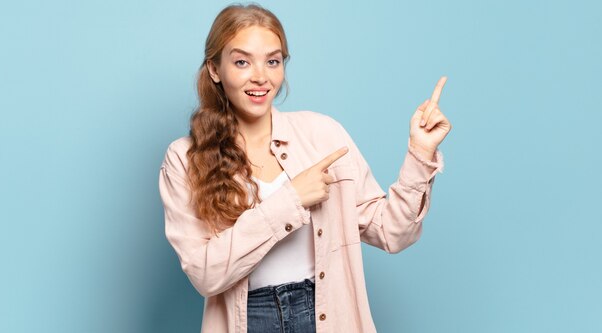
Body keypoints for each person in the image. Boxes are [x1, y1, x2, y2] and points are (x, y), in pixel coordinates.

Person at [158, 3, 451, 333]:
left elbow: (392, 232)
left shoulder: (323, 134)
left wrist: (420, 154)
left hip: (328, 314)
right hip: (249, 320)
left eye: (273, 61)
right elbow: (205, 274)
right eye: (242, 62)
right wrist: (290, 200)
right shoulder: (184, 158)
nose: (261, 76)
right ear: (215, 69)